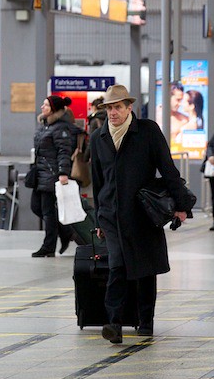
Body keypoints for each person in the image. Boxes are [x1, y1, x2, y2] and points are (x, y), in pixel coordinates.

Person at [90, 84, 195, 343]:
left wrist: (182, 205)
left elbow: (168, 169)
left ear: (129, 108)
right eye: (108, 108)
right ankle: (113, 322)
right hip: (111, 213)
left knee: (145, 267)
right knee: (118, 265)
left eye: (117, 107)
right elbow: (98, 180)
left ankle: (145, 321)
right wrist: (98, 220)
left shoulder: (147, 131)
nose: (112, 113)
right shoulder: (98, 137)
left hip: (143, 212)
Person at [30, 95, 79, 258]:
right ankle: (65, 232)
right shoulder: (45, 125)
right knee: (36, 207)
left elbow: (64, 151)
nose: (42, 107)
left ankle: (48, 246)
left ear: (54, 109)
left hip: (51, 174)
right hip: (40, 173)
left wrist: (63, 173)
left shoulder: (60, 128)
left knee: (48, 212)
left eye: (45, 105)